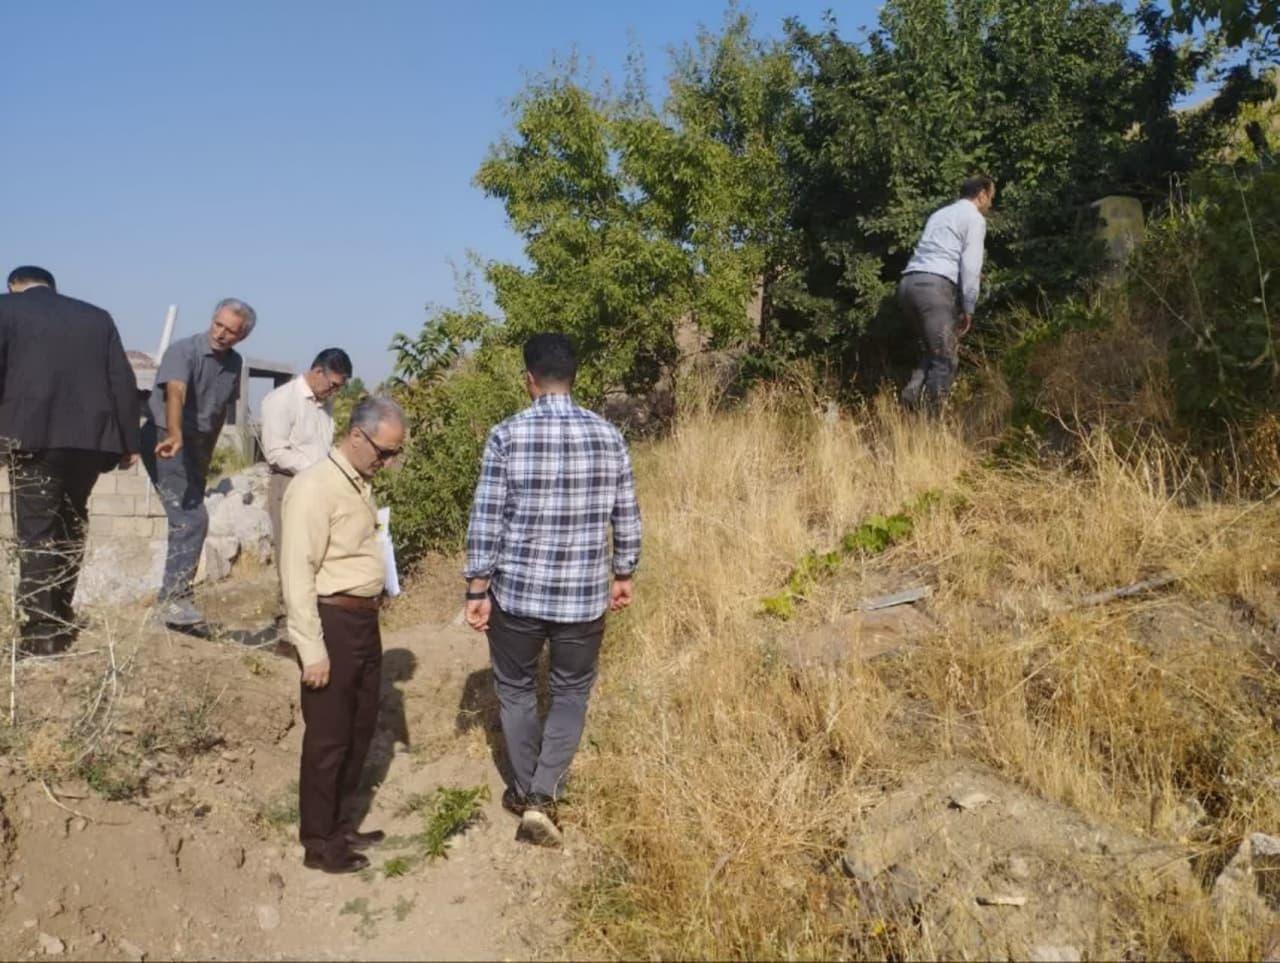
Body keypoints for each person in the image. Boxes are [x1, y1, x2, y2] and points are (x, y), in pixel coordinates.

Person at [463, 333, 642, 848]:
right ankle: (543, 795)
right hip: (584, 598)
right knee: (569, 692)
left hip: (517, 596)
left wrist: (477, 588)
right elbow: (625, 515)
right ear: (573, 377)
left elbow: (486, 518)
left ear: (530, 380)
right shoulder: (609, 435)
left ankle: (525, 790)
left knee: (517, 690)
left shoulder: (506, 435)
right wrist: (624, 572)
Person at [280, 395, 405, 874]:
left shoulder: (357, 483)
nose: (389, 461)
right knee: (328, 737)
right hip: (331, 621)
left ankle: (340, 825)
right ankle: (319, 843)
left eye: (394, 453)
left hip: (362, 620)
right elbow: (297, 572)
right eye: (384, 451)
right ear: (356, 435)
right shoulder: (316, 487)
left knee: (358, 727)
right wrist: (311, 649)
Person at [0, 266, 140, 656]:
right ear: (52, 286)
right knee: (70, 523)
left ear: (13, 286)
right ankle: (60, 616)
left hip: (33, 440)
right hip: (91, 443)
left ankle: (41, 635)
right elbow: (122, 381)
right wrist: (129, 441)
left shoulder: (6, 309)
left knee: (37, 532)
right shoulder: (96, 317)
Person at [142, 298, 255, 633]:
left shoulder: (234, 363)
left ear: (241, 336)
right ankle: (173, 600)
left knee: (194, 519)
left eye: (230, 331)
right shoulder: (183, 351)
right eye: (217, 325)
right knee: (190, 518)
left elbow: (217, 413)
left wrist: (203, 457)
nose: (220, 334)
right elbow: (175, 392)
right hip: (166, 438)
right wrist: (175, 433)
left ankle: (176, 599)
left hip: (195, 446)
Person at [261, 348, 352, 634]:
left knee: (318, 554)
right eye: (333, 384)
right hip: (289, 483)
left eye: (340, 386)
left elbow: (322, 448)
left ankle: (312, 625)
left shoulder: (324, 406)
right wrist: (317, 469)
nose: (334, 391)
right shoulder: (282, 400)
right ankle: (286, 629)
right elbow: (276, 452)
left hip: (319, 486)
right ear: (317, 372)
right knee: (292, 558)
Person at [899, 173, 996, 411]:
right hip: (935, 289)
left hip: (908, 285)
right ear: (981, 194)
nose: (991, 204)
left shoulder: (939, 214)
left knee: (931, 354)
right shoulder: (974, 218)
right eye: (991, 197)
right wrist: (969, 307)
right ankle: (931, 431)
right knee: (945, 359)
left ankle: (908, 409)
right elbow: (971, 265)